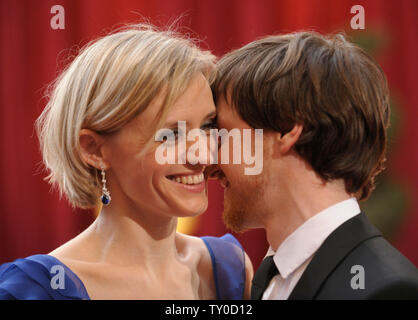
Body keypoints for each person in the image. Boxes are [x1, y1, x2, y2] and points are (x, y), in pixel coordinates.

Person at [0, 24, 253, 300]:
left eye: (207, 125)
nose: (204, 156)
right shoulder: (32, 292)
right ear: (95, 150)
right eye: (172, 134)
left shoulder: (231, 270)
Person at [210, 31, 418, 299]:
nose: (210, 163)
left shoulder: (387, 291)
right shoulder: (265, 277)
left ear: (287, 130)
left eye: (224, 135)